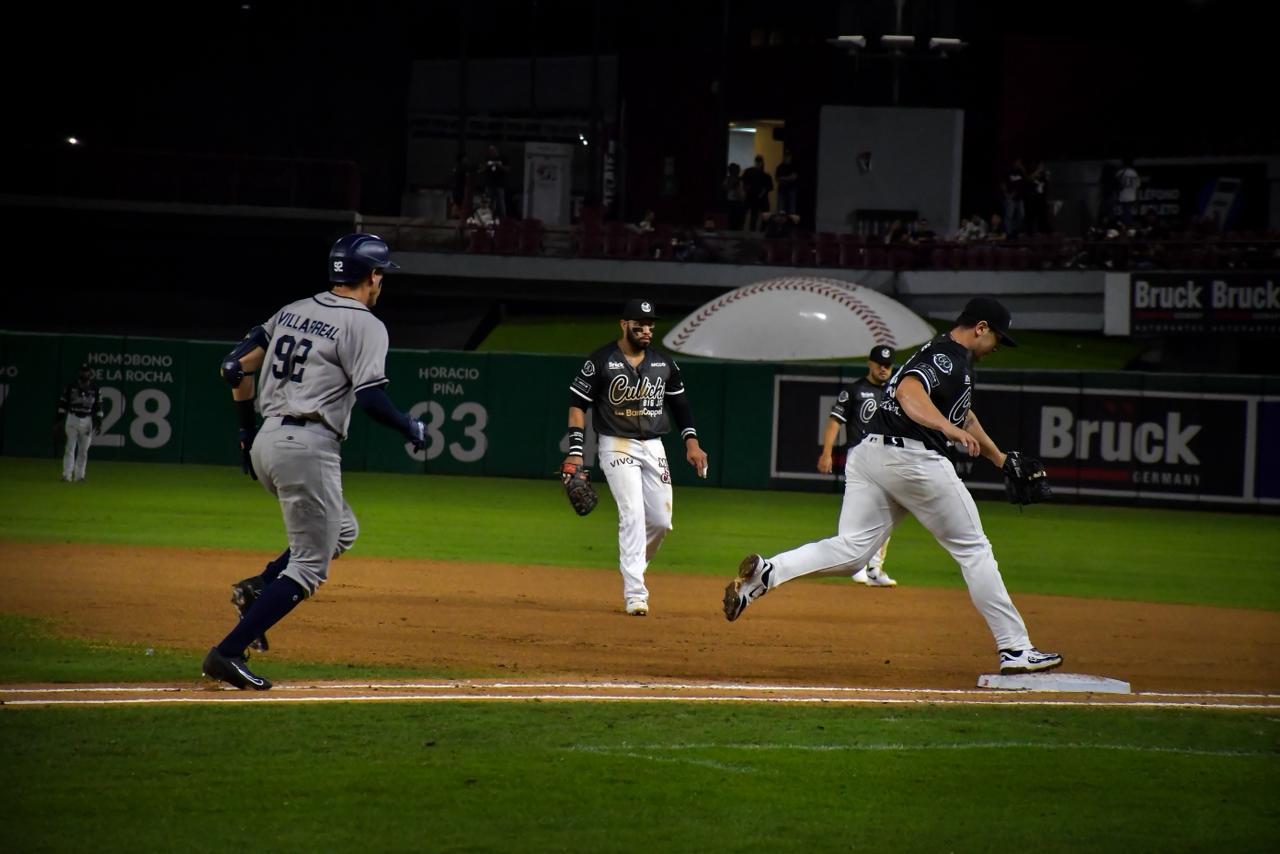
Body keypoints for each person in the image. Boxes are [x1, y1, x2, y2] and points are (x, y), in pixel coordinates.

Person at [722, 297, 1063, 676]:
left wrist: (998, 458)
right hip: (912, 460)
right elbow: (909, 394)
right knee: (975, 551)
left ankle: (766, 573)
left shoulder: (941, 355)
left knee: (852, 551)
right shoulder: (948, 357)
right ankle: (1015, 648)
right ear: (981, 327)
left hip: (871, 455)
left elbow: (963, 416)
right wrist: (945, 428)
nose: (997, 345)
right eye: (997, 337)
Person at [201, 233, 427, 690]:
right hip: (307, 445)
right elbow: (371, 400)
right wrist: (410, 427)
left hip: (268, 439)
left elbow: (234, 365)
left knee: (341, 531)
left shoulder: (292, 310)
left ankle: (260, 587)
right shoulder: (365, 324)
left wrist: (246, 431)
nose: (383, 281)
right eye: (382, 273)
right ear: (372, 275)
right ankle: (226, 653)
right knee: (308, 567)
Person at [563, 299, 709, 616]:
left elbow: (680, 405)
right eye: (638, 324)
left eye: (650, 325)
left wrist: (692, 443)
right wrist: (576, 451)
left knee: (661, 521)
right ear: (623, 325)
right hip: (616, 443)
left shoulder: (663, 363)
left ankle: (633, 566)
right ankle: (635, 593)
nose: (645, 330)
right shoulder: (601, 361)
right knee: (631, 513)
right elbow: (577, 405)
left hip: (654, 445)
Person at [816, 345, 897, 587]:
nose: (884, 369)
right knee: (859, 512)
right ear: (870, 364)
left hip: (888, 456)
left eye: (888, 365)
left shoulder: (897, 392)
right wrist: (827, 453)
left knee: (886, 513)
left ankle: (874, 568)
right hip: (859, 456)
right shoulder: (854, 390)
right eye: (879, 364)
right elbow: (834, 423)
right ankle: (852, 562)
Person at [54, 364, 104, 482]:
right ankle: (66, 475)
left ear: (90, 374)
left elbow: (99, 406)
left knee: (83, 450)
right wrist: (58, 421)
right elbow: (63, 405)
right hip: (72, 418)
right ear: (79, 373)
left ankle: (80, 476)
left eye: (86, 372)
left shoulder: (95, 389)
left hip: (87, 420)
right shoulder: (71, 387)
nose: (84, 374)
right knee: (70, 447)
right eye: (82, 371)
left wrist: (99, 421)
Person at [741, 155, 774, 231]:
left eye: (759, 162)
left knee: (763, 215)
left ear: (762, 163)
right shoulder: (749, 171)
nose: (758, 163)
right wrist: (745, 190)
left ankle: (761, 231)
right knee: (753, 216)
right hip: (752, 197)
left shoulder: (765, 175)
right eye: (757, 162)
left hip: (760, 199)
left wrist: (762, 192)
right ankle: (753, 232)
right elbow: (743, 182)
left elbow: (769, 187)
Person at [478, 144, 509, 219]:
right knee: (488, 203)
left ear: (496, 150)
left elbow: (508, 169)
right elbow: (480, 170)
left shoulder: (502, 158)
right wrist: (486, 166)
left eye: (492, 150)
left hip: (499, 185)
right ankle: (489, 218)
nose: (491, 152)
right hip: (489, 184)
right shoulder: (487, 159)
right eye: (490, 151)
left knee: (501, 203)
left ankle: (503, 219)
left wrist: (499, 165)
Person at [1116, 157, 1141, 226]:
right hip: (1127, 199)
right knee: (1125, 218)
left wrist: (1137, 199)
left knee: (1128, 218)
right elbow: (1117, 186)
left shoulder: (1122, 172)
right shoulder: (1132, 172)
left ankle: (1128, 228)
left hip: (1127, 199)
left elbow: (1137, 187)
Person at [774, 149, 798, 214]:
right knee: (781, 210)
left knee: (791, 210)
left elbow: (794, 177)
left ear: (790, 157)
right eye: (785, 156)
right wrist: (788, 178)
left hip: (791, 190)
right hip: (781, 191)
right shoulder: (779, 167)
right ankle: (782, 224)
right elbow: (777, 179)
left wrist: (784, 178)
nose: (787, 158)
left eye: (788, 156)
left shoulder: (794, 166)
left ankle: (791, 224)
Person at [723, 163, 746, 230]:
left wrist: (736, 187)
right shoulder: (728, 179)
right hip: (732, 203)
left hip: (737, 203)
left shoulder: (738, 181)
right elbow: (724, 187)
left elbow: (741, 195)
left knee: (735, 223)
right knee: (731, 222)